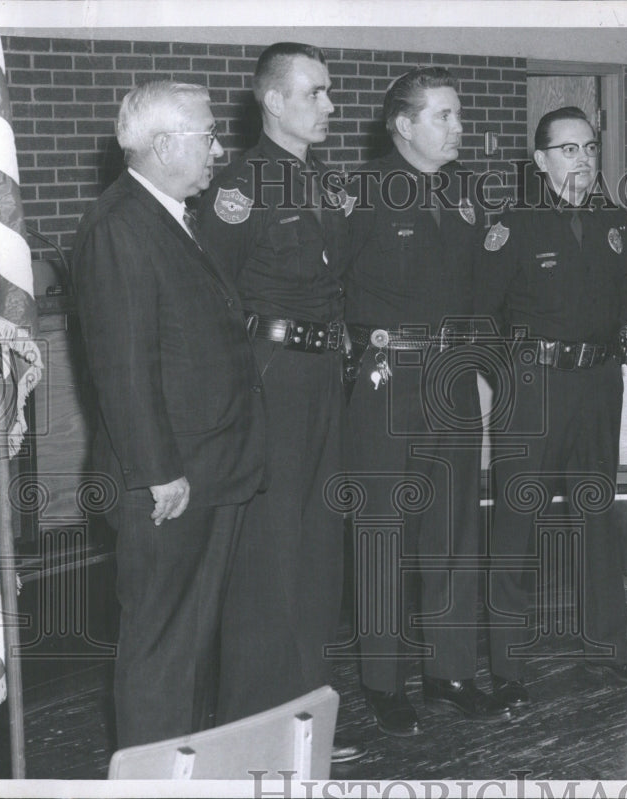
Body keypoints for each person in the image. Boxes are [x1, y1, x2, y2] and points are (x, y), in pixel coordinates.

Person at [72, 81, 265, 748]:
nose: (219, 147)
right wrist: (159, 472)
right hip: (169, 484)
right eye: (208, 135)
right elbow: (123, 365)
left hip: (206, 469)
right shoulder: (120, 225)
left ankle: (185, 770)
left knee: (190, 648)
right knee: (162, 651)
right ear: (162, 145)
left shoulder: (170, 215)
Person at [196, 42, 364, 764]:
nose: (330, 105)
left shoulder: (323, 180)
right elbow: (212, 301)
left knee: (318, 548)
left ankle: (305, 710)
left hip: (325, 373)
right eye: (316, 92)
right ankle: (253, 723)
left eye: (329, 92)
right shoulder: (241, 187)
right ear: (272, 100)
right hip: (271, 374)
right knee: (268, 554)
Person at [342, 66, 510, 736]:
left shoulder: (468, 193)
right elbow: (331, 290)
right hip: (389, 376)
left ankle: (449, 670)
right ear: (403, 124)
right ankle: (383, 680)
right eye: (444, 115)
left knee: (453, 529)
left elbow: (485, 287)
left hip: (453, 374)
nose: (458, 128)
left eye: (459, 115)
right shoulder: (360, 192)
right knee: (383, 530)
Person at [476, 106, 627, 704]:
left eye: (587, 148)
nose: (580, 159)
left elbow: (626, 301)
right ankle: (507, 662)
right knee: (516, 519)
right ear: (541, 159)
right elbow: (483, 315)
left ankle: (610, 648)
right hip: (535, 383)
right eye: (567, 148)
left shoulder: (616, 219)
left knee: (595, 515)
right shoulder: (512, 225)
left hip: (598, 381)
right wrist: (514, 380)